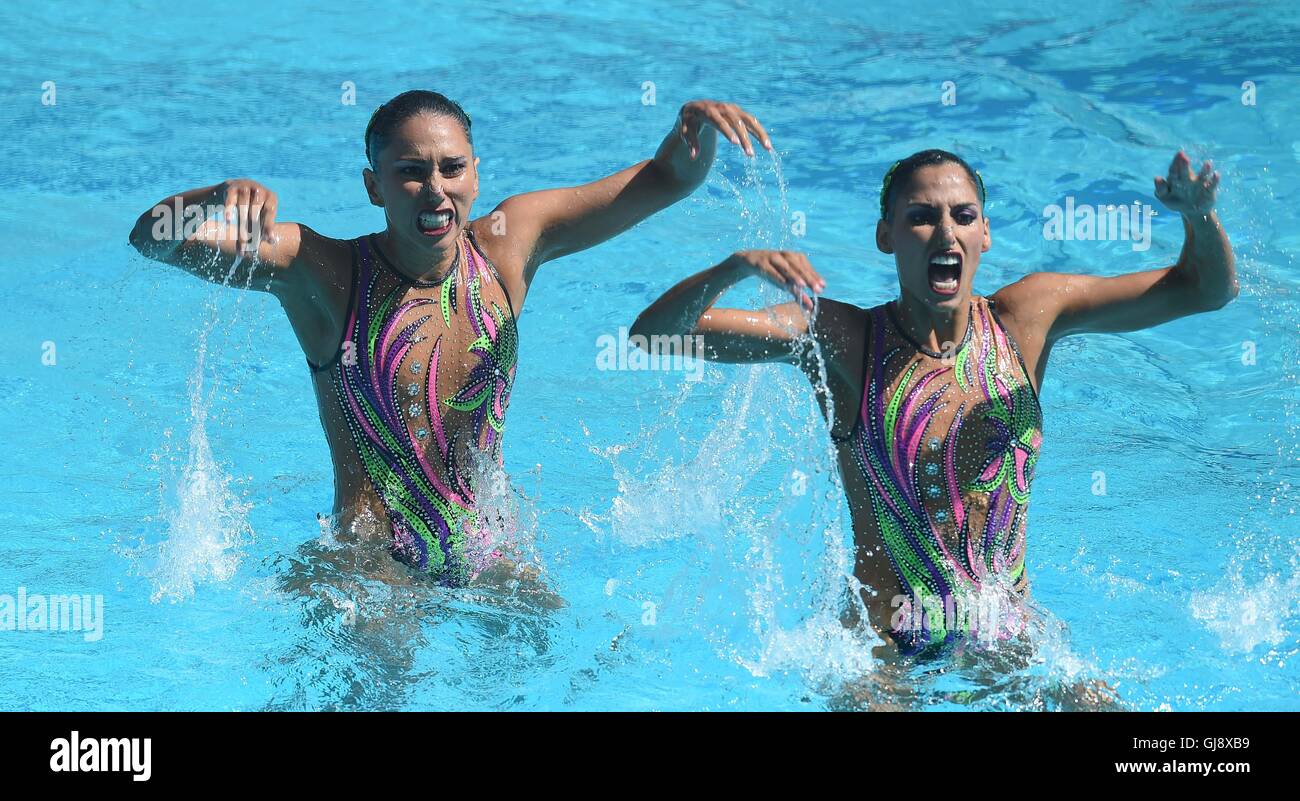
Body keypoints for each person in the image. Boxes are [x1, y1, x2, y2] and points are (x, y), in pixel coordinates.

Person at [129, 90, 771, 586]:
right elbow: (151, 239)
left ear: (475, 175)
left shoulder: (510, 245)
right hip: (372, 568)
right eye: (410, 171)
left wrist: (696, 129)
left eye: (451, 168)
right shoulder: (322, 271)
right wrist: (213, 196)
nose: (435, 189)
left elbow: (669, 180)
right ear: (372, 185)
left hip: (490, 549)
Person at [630, 148, 1236, 654]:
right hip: (878, 653)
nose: (946, 232)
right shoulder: (845, 340)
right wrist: (733, 267)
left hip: (1002, 635)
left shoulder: (1028, 316)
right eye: (921, 217)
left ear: (985, 233)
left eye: (963, 215)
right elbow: (656, 336)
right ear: (885, 236)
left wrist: (1200, 217)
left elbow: (1206, 291)